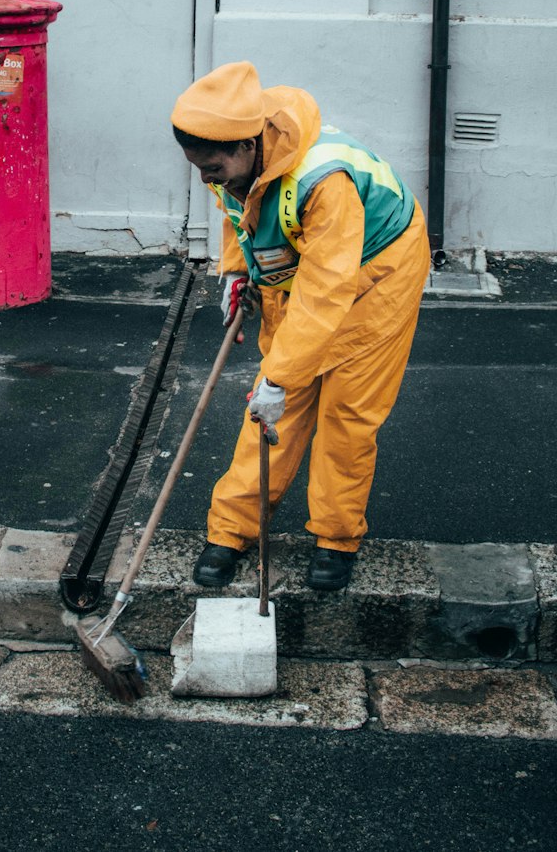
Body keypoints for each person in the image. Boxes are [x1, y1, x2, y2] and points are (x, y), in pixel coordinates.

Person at [171, 61, 430, 592]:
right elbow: (237, 209)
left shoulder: (322, 182)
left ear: (248, 145)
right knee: (272, 413)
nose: (204, 178)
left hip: (379, 272)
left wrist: (279, 375)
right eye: (196, 167)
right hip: (306, 269)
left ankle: (337, 537)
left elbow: (325, 292)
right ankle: (232, 529)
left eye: (212, 166)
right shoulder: (237, 161)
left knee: (347, 410)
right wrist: (238, 273)